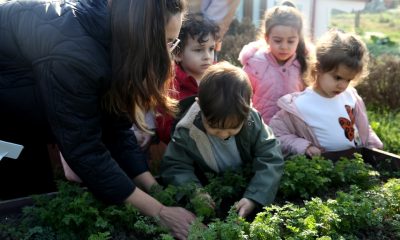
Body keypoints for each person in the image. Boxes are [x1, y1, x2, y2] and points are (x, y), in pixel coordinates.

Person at [0, 0, 196, 239]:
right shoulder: (76, 53)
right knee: (15, 210)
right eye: (167, 42)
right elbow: (84, 149)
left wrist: (156, 190)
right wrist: (159, 211)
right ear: (141, 36)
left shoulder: (112, 38)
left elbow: (116, 127)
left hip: (16, 112)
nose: (170, 54)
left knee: (29, 203)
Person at [160, 62, 284, 218]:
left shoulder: (252, 122)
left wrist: (254, 197)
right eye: (215, 128)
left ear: (247, 111)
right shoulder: (187, 131)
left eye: (233, 129)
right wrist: (195, 192)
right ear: (200, 106)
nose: (224, 134)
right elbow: (175, 166)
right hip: (209, 188)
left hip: (246, 183)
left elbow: (270, 157)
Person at [269, 30, 383, 157]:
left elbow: (362, 127)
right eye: (338, 78)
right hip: (324, 168)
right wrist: (304, 146)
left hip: (355, 163)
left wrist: (373, 146)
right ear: (318, 68)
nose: (343, 85)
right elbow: (277, 134)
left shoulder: (350, 96)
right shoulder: (298, 105)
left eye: (348, 80)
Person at [238, 4, 311, 124]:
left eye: (291, 41)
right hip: (259, 132)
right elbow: (241, 97)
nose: (284, 46)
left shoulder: (305, 66)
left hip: (293, 132)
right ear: (267, 38)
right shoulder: (254, 64)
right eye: (278, 40)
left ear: (299, 39)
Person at [156, 12, 220, 144]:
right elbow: (164, 128)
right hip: (183, 149)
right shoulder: (170, 84)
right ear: (178, 53)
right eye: (198, 50)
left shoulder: (221, 76)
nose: (207, 56)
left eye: (211, 49)